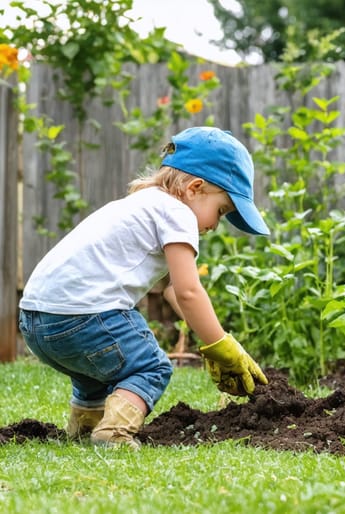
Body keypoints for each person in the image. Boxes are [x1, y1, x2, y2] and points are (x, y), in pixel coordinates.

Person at [18, 126, 270, 448]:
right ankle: (114, 435)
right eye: (220, 211)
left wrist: (206, 340)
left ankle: (85, 428)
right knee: (151, 366)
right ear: (194, 188)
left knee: (93, 373)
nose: (214, 225)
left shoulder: (139, 205)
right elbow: (187, 292)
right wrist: (222, 346)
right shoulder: (178, 213)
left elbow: (170, 291)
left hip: (37, 319)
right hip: (83, 316)